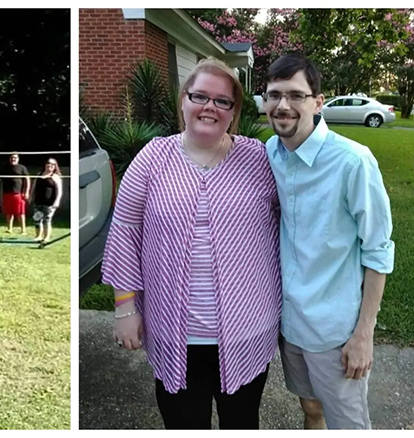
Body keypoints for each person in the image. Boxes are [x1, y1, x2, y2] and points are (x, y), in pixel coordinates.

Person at [102, 58, 281, 429]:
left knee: (242, 423)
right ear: (183, 100)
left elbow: (296, 219)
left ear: (234, 111)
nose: (209, 108)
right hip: (172, 329)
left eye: (222, 101)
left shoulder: (259, 160)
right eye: (200, 96)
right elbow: (124, 231)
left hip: (247, 329)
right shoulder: (153, 158)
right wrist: (125, 308)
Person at [262, 53, 394, 429]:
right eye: (274, 95)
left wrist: (364, 334)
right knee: (311, 410)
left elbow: (378, 250)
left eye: (296, 95)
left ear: (318, 102)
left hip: (336, 330)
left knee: (348, 424)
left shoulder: (353, 162)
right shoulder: (270, 153)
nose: (283, 105)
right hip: (291, 323)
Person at [30, 158, 62, 242]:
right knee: (37, 219)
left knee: (46, 220)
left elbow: (59, 190)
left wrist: (57, 201)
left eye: (52, 164)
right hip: (38, 201)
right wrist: (31, 197)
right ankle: (38, 236)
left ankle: (46, 237)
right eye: (48, 163)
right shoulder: (39, 174)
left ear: (55, 166)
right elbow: (34, 187)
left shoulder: (55, 177)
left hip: (49, 203)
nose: (50, 165)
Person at [0, 153, 30, 234]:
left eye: (15, 157)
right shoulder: (4, 168)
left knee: (20, 212)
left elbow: (27, 180)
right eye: (12, 157)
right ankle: (9, 229)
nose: (13, 159)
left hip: (18, 194)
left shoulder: (22, 168)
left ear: (18, 159)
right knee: (9, 212)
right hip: (7, 193)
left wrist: (26, 191)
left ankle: (23, 230)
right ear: (9, 159)